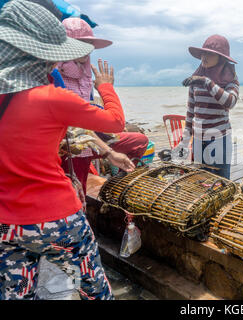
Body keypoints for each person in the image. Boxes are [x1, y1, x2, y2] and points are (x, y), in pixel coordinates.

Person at [0, 0, 124, 300]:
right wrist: (106, 86)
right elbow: (116, 122)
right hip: (57, 219)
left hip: (6, 223)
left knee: (17, 294)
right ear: (43, 56)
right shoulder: (52, 97)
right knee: (92, 289)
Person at [57, 17, 148, 193]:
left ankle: (119, 184)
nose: (86, 49)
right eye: (79, 44)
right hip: (70, 146)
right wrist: (106, 88)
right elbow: (114, 122)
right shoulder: (56, 75)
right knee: (77, 192)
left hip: (90, 137)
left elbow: (87, 122)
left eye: (88, 44)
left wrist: (108, 151)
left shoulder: (84, 74)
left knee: (139, 140)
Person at [178, 34, 239, 179]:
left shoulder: (230, 77)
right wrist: (184, 142)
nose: (204, 56)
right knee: (202, 180)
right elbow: (191, 112)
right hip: (199, 139)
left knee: (222, 181)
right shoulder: (195, 78)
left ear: (221, 58)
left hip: (219, 138)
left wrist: (207, 82)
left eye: (210, 54)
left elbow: (230, 102)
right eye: (203, 53)